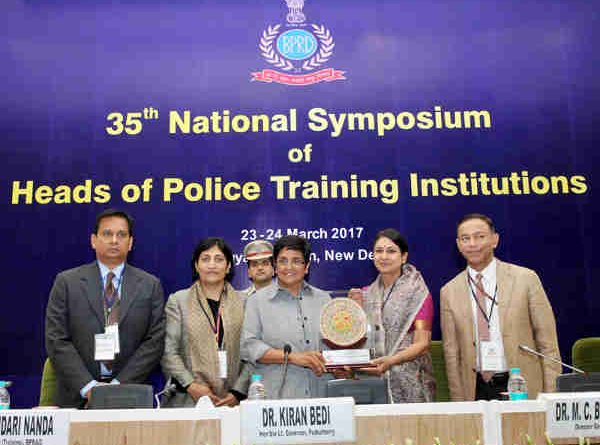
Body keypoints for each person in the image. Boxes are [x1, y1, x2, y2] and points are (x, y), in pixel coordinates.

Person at [45, 209, 165, 408]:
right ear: (94, 240)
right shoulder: (67, 282)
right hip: (76, 396)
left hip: (130, 395)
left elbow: (154, 342)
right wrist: (88, 387)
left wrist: (118, 388)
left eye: (122, 235)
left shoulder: (150, 285)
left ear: (131, 243)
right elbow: (56, 339)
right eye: (107, 234)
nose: (114, 240)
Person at [440, 213, 561, 401]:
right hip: (475, 389)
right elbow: (451, 354)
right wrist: (459, 401)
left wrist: (551, 396)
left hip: (522, 385)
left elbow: (548, 343)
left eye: (480, 236)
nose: (472, 244)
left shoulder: (526, 279)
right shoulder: (449, 291)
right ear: (458, 245)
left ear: (494, 240)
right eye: (465, 238)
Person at [348, 228, 435, 403]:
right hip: (372, 382)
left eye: (391, 251)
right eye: (379, 251)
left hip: (411, 381)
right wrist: (353, 310)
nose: (384, 256)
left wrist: (391, 361)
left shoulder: (418, 293)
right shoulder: (365, 295)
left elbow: (422, 344)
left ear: (403, 257)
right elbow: (356, 341)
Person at [241, 235, 332, 398]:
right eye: (282, 261)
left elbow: (334, 345)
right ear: (275, 265)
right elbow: (249, 346)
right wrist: (292, 358)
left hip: (322, 398)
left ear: (307, 266)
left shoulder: (324, 300)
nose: (288, 267)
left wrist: (342, 364)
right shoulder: (257, 302)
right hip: (277, 400)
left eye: (296, 261)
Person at [161, 237, 248, 407]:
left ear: (229, 266)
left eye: (219, 259)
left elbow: (252, 355)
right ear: (196, 265)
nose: (212, 265)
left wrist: (238, 392)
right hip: (188, 400)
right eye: (205, 259)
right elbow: (168, 352)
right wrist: (191, 385)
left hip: (234, 402)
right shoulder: (178, 301)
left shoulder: (245, 302)